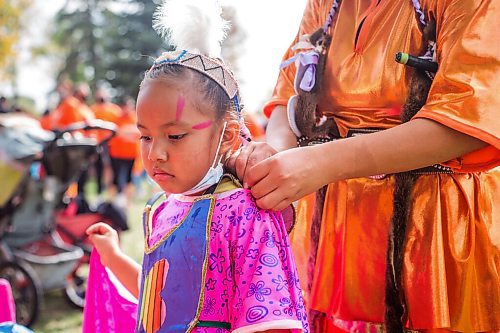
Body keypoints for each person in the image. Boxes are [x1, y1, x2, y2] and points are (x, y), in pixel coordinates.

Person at [227, 0, 500, 332]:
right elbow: (288, 99)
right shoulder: (324, 5)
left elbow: (470, 119)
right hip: (334, 233)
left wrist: (322, 162)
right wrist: (274, 156)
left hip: (433, 231)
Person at [85, 1, 309, 332]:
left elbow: (271, 320)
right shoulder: (159, 209)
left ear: (227, 135)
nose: (156, 154)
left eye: (174, 136)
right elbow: (156, 301)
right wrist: (113, 257)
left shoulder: (246, 214)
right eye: (145, 137)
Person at [90, 88, 122, 198]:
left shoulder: (114, 110)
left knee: (113, 169)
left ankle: (115, 193)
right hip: (97, 144)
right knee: (98, 168)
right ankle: (99, 193)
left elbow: (120, 126)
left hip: (112, 144)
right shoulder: (92, 109)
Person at [108, 96, 139, 206]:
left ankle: (127, 200)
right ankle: (116, 200)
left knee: (129, 178)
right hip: (117, 154)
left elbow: (139, 132)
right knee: (117, 178)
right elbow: (116, 133)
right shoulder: (117, 118)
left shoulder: (136, 117)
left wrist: (126, 133)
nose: (128, 108)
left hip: (130, 154)